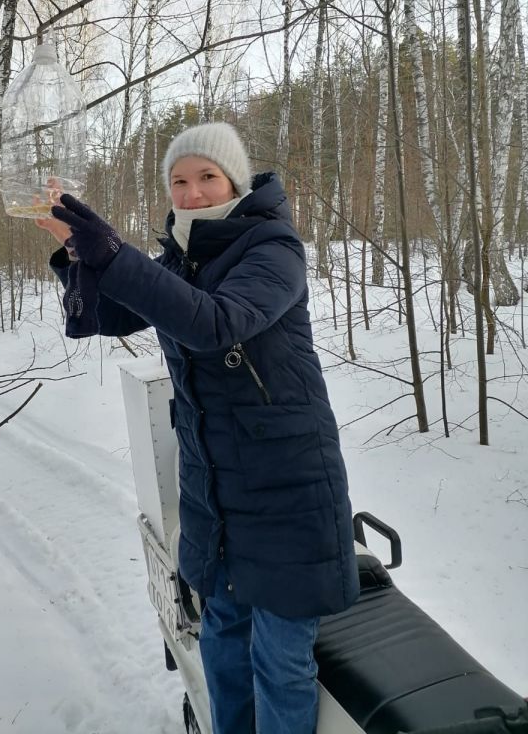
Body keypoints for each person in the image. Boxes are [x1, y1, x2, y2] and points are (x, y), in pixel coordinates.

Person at [38, 122, 358, 734]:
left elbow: (215, 323)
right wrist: (78, 253)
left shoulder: (273, 248)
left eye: (207, 177)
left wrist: (113, 253)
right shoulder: (182, 258)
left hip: (288, 490)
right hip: (216, 489)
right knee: (222, 643)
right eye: (179, 182)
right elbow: (110, 315)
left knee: (279, 660)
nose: (192, 194)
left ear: (235, 181)